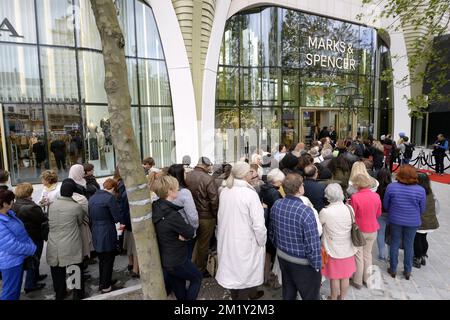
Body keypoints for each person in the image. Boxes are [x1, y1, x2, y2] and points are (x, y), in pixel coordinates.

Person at [216, 162, 266, 300]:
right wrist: (262, 241)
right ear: (245, 175)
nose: (253, 174)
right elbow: (259, 225)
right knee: (244, 278)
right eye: (250, 172)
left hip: (228, 239)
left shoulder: (225, 190)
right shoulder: (250, 194)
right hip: (245, 242)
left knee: (234, 276)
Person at [270, 173, 322, 300]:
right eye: (302, 184)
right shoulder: (305, 211)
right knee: (310, 296)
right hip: (302, 263)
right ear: (299, 188)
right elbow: (312, 243)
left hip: (283, 257)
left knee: (288, 292)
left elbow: (272, 232)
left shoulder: (276, 204)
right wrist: (316, 265)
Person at [152, 175, 202, 300]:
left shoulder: (156, 206)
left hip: (167, 259)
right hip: (177, 259)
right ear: (169, 191)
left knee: (178, 285)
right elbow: (190, 232)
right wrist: (182, 235)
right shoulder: (171, 214)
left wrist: (180, 234)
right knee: (197, 277)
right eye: (176, 188)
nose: (179, 190)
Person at [383, 165, 426, 280]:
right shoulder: (420, 190)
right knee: (409, 244)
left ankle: (393, 269)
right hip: (413, 221)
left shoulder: (391, 187)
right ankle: (407, 271)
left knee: (395, 242)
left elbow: (386, 205)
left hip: (395, 219)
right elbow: (422, 209)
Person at [47, 179, 85, 300]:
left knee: (57, 271)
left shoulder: (51, 205)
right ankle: (77, 295)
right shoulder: (76, 207)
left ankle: (60, 294)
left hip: (53, 243)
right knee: (74, 269)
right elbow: (80, 222)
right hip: (71, 243)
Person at [320, 183, 357, 300]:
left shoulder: (325, 212)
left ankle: (333, 297)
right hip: (348, 247)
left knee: (334, 277)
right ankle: (342, 297)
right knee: (345, 276)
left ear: (328, 196)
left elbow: (318, 228)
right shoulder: (349, 208)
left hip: (332, 248)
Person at [185, 156, 219, 277]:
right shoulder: (208, 178)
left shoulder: (187, 176)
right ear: (206, 165)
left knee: (194, 243)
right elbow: (214, 200)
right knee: (203, 244)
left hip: (190, 215)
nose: (211, 167)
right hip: (206, 217)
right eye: (210, 165)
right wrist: (216, 216)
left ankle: (192, 266)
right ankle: (200, 269)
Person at [0, 190, 36, 300]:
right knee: (10, 292)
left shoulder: (9, 214)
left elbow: (21, 233)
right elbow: (11, 245)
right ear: (5, 204)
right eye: (11, 201)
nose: (13, 203)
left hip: (17, 259)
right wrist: (31, 248)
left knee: (15, 291)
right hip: (10, 262)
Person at [12, 183, 48, 294]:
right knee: (34, 259)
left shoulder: (14, 205)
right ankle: (30, 284)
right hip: (34, 236)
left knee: (31, 259)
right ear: (29, 193)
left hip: (22, 236)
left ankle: (35, 277)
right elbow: (42, 219)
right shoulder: (31, 207)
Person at [89, 178, 123, 293]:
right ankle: (106, 286)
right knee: (108, 259)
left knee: (102, 259)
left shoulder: (92, 197)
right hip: (107, 231)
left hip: (95, 231)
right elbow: (117, 217)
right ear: (113, 188)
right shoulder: (109, 198)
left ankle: (103, 282)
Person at [349, 174, 382, 289]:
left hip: (360, 230)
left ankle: (357, 281)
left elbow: (352, 215)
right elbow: (378, 214)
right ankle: (367, 280)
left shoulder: (355, 197)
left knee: (358, 255)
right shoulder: (376, 196)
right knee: (368, 255)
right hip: (373, 228)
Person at [167, 164, 199, 259]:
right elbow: (192, 216)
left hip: (169, 231)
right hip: (184, 231)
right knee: (186, 258)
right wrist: (194, 229)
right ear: (180, 175)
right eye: (184, 172)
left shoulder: (164, 190)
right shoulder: (184, 193)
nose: (186, 174)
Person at [259, 168, 285, 284]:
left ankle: (264, 276)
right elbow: (278, 211)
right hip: (271, 225)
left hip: (264, 223)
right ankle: (269, 277)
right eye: (281, 181)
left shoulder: (262, 188)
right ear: (277, 181)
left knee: (266, 254)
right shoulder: (275, 193)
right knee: (271, 253)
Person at [114, 167, 140, 278]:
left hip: (125, 221)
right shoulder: (129, 188)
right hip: (132, 221)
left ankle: (130, 264)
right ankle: (135, 269)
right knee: (135, 247)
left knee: (128, 244)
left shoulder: (119, 185)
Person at [413, 173, 439, 268]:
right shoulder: (431, 192)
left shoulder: (418, 192)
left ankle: (418, 257)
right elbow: (437, 208)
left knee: (417, 239)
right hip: (430, 221)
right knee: (423, 238)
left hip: (421, 221)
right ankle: (423, 254)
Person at [375, 168, 392, 261]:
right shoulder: (392, 187)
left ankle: (382, 254)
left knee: (380, 234)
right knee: (390, 234)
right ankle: (390, 255)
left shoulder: (376, 188)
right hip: (390, 213)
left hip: (380, 212)